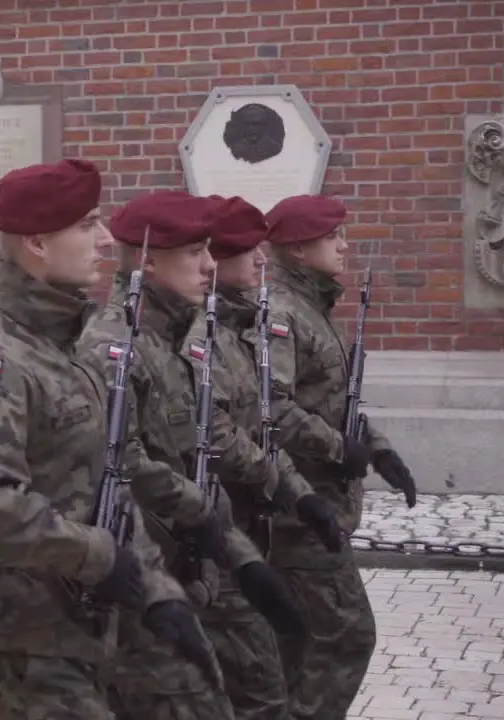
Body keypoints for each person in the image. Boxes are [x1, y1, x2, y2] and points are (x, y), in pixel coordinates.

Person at [0, 159, 216, 720]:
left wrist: (156, 591)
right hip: (13, 641)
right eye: (87, 225)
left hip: (74, 630)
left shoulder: (67, 354)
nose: (106, 241)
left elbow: (109, 482)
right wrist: (99, 557)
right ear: (36, 242)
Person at [79, 190, 303, 720]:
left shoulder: (179, 338)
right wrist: (200, 514)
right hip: (144, 567)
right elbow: (117, 460)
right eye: (194, 252)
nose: (209, 266)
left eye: (209, 250)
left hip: (197, 558)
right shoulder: (113, 347)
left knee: (260, 690)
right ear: (150, 262)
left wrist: (238, 554)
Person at [178, 196, 347, 719]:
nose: (259, 259)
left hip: (253, 528)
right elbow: (225, 435)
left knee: (262, 675)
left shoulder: (244, 328)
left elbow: (261, 426)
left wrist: (301, 494)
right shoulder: (203, 335)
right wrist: (299, 481)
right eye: (243, 250)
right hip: (214, 531)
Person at [263, 194, 416, 719]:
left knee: (299, 641)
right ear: (300, 248)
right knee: (347, 636)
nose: (344, 245)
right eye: (333, 237)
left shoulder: (311, 308)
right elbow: (270, 409)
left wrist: (377, 449)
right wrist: (336, 447)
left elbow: (329, 401)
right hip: (298, 509)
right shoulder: (282, 314)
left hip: (320, 503)